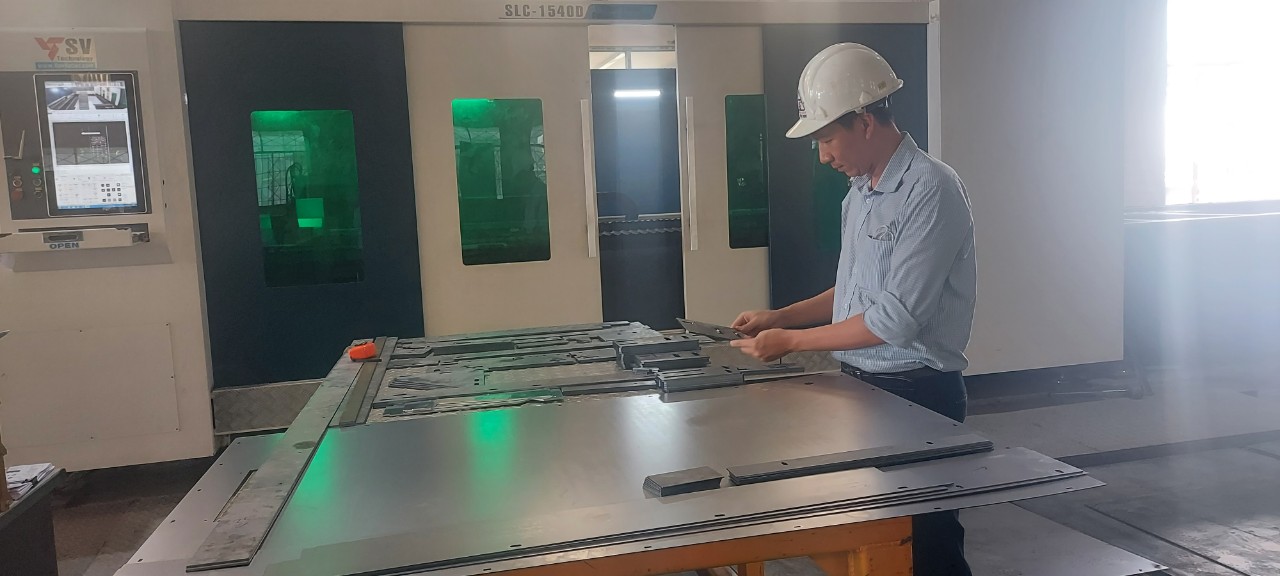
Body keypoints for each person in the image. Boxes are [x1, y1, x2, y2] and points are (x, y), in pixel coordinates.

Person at [730, 43, 976, 576]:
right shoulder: (859, 194)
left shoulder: (931, 189)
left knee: (925, 547)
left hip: (918, 396)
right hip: (861, 389)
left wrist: (791, 344)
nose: (823, 156)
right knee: (870, 540)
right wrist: (780, 318)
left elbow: (894, 320)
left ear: (865, 121)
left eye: (826, 139)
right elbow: (853, 293)